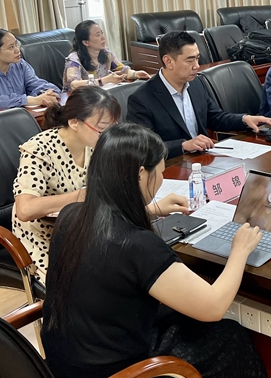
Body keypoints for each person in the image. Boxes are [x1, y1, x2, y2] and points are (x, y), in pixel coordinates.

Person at [42, 123, 266, 378]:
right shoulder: (138, 246)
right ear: (140, 175)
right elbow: (213, 306)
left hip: (68, 374)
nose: (161, 179)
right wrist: (240, 250)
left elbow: (107, 224)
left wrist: (153, 209)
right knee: (229, 338)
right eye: (159, 172)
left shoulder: (71, 216)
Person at [13, 86, 188, 279]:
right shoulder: (38, 149)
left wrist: (152, 209)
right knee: (102, 280)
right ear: (74, 122)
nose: (108, 135)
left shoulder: (96, 145)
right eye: (103, 128)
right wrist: (84, 194)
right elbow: (25, 210)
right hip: (47, 238)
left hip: (89, 230)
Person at [127, 31, 271, 159]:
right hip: (171, 165)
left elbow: (215, 117)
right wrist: (183, 145)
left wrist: (244, 119)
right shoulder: (141, 99)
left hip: (202, 160)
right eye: (190, 60)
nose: (197, 66)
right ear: (168, 61)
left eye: (197, 58)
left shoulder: (196, 83)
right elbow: (143, 147)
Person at [0, 27, 60, 117]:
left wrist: (47, 93)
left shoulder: (20, 64)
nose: (17, 50)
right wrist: (28, 100)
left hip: (19, 116)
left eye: (17, 44)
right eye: (11, 47)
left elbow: (35, 83)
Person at [63, 19, 150, 91]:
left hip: (101, 96)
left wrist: (136, 74)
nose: (103, 37)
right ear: (86, 42)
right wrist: (104, 80)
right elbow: (74, 85)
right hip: (77, 100)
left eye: (102, 33)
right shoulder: (74, 59)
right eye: (98, 35)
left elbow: (123, 70)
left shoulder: (106, 52)